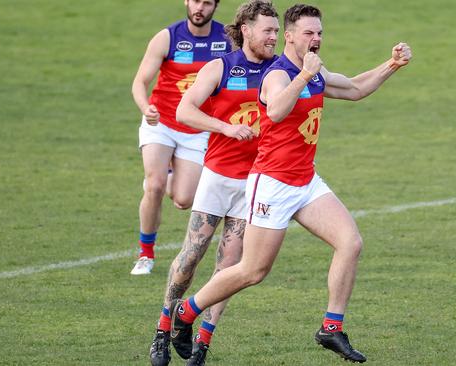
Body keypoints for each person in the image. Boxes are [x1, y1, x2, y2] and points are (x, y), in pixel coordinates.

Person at [167, 3, 413, 364]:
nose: (317, 39)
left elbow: (356, 88)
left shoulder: (316, 71)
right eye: (310, 33)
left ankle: (331, 328)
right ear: (291, 36)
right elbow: (276, 110)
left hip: (306, 181)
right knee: (253, 271)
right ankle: (186, 311)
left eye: (320, 33)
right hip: (273, 184)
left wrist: (391, 64)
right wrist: (303, 75)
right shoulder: (278, 75)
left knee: (350, 242)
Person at [148, 1, 280, 365]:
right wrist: (225, 127)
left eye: (276, 31)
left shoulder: (280, 70)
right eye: (267, 30)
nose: (274, 37)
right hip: (219, 176)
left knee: (231, 268)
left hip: (255, 182)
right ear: (247, 30)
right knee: (191, 257)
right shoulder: (221, 67)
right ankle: (163, 329)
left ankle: (202, 345)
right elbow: (183, 110)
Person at [131, 0, 231, 275]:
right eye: (195, 0)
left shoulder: (226, 39)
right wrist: (145, 109)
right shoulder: (168, 38)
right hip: (161, 121)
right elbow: (140, 82)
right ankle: (145, 254)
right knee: (154, 185)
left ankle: (170, 172)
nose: (200, 8)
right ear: (186, 2)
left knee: (183, 200)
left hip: (198, 128)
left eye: (207, 3)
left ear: (215, 6)